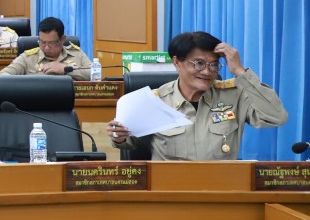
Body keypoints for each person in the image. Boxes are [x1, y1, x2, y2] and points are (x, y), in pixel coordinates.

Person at [108, 31, 287, 161]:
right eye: (199, 64)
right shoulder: (155, 100)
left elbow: (276, 117)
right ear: (177, 63)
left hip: (222, 189)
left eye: (213, 65)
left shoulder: (233, 95)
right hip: (171, 190)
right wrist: (119, 135)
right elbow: (127, 141)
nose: (207, 72)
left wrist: (241, 72)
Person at [0, 17, 92, 80]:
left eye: (51, 43)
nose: (46, 48)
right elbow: (2, 76)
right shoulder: (28, 58)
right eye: (42, 42)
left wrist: (65, 69)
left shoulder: (77, 54)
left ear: (62, 39)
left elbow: (94, 74)